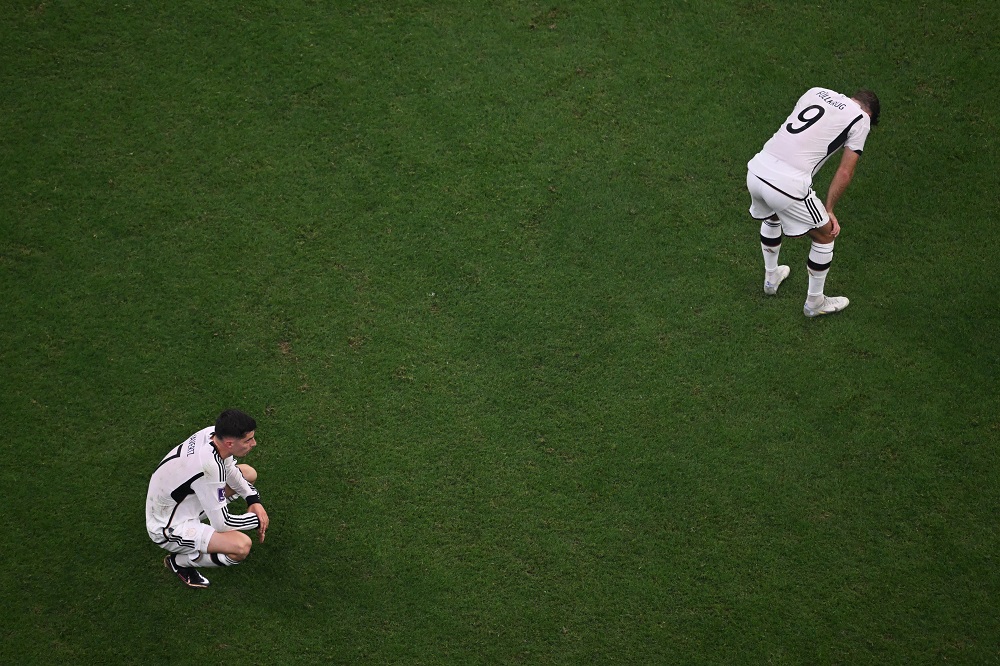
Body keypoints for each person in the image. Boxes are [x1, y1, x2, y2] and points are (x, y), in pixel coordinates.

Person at [746, 87, 880, 316]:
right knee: (826, 234)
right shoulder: (861, 119)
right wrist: (829, 209)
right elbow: (845, 172)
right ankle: (815, 303)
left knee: (773, 214)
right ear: (869, 114)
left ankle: (771, 277)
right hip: (787, 184)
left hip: (757, 169)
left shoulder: (816, 92)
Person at [145, 409, 270, 588]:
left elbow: (230, 471)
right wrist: (258, 520)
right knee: (241, 546)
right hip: (168, 526)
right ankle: (180, 562)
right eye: (248, 440)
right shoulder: (210, 468)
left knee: (248, 473)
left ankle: (192, 547)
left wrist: (253, 500)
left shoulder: (211, 434)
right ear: (229, 443)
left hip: (181, 500)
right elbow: (221, 524)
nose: (254, 443)